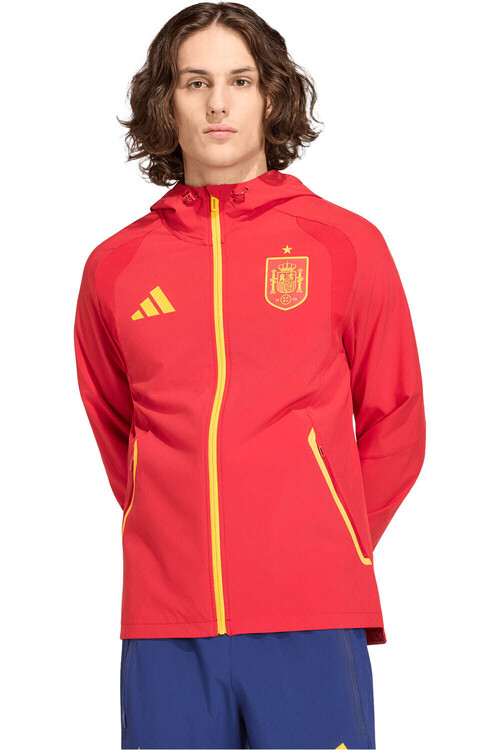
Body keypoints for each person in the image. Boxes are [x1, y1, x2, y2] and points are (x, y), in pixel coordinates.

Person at [73, 3, 426, 748]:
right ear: (166, 101)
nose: (218, 103)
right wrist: (172, 529)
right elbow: (117, 428)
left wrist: (327, 538)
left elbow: (396, 417)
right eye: (195, 82)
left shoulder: (343, 244)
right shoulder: (115, 267)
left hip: (312, 615)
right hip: (166, 626)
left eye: (239, 80)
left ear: (271, 96)